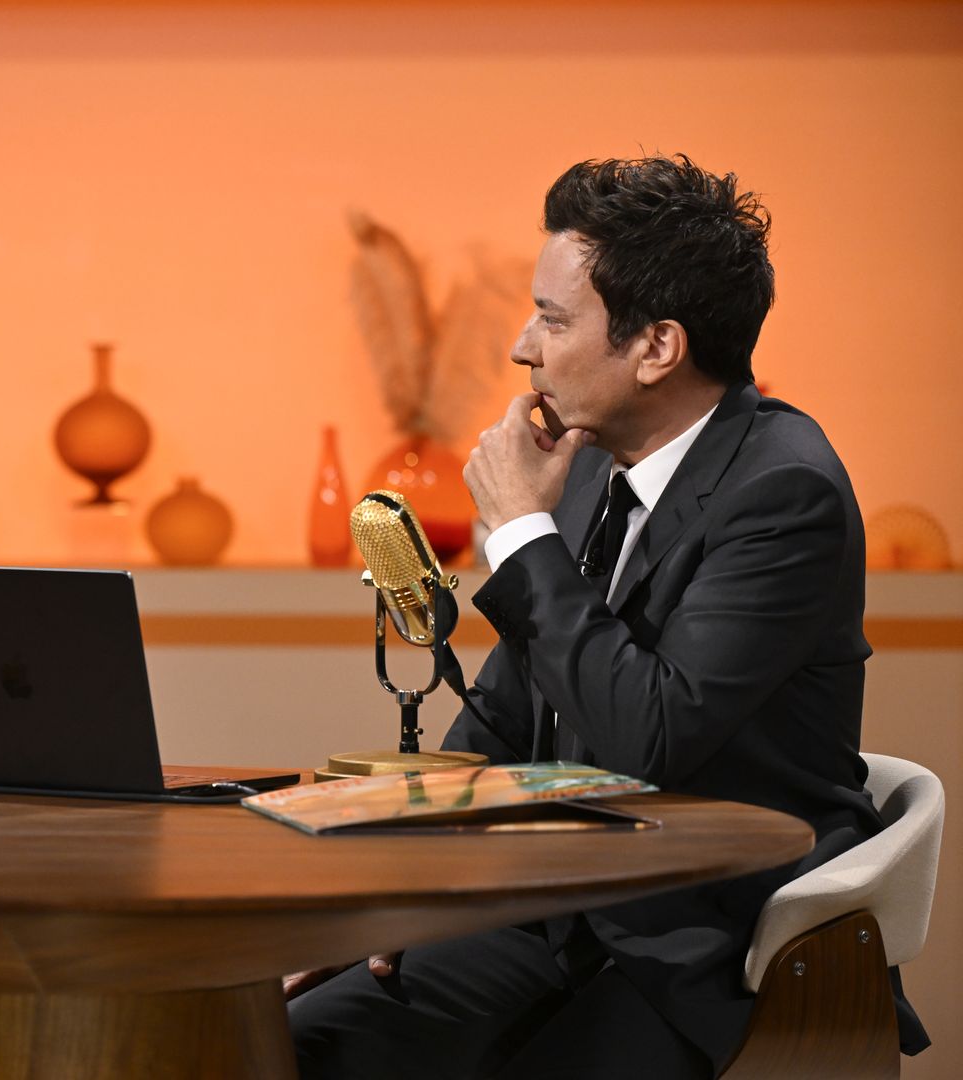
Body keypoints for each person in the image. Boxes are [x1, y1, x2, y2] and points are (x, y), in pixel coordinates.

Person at [285, 155, 927, 1077]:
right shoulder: (588, 462)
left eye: (552, 319)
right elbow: (507, 715)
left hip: (699, 948)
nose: (523, 347)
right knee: (288, 1042)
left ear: (657, 348)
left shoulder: (785, 492)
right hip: (548, 913)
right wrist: (404, 890)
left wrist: (520, 534)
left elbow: (646, 737)